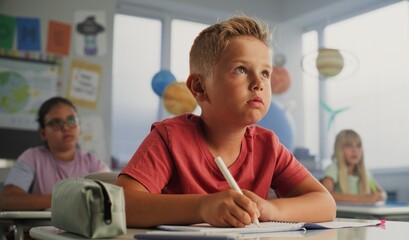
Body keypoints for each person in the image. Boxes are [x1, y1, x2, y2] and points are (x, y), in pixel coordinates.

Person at [117, 15, 336, 228]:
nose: (259, 83)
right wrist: (202, 207)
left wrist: (270, 209)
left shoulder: (269, 146)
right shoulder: (169, 138)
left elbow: (325, 204)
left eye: (265, 73)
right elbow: (121, 204)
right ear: (199, 88)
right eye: (241, 69)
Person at [0, 96, 110, 211]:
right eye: (56, 122)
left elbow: (113, 195)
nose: (66, 127)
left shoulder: (93, 162)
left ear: (79, 127)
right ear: (43, 133)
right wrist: (69, 200)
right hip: (38, 228)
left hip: (82, 229)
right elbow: (8, 200)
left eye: (71, 120)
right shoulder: (32, 157)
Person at [321, 129, 387, 204]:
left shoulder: (365, 173)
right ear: (339, 149)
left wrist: (380, 196)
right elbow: (325, 194)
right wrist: (363, 199)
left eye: (358, 146)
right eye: (349, 146)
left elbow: (382, 193)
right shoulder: (333, 169)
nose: (354, 150)